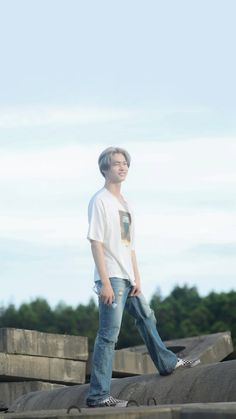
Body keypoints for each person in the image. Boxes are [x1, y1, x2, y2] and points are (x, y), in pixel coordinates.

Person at [86, 147, 200, 408]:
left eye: (125, 163)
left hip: (128, 278)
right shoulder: (100, 200)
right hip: (112, 278)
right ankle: (98, 396)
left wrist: (137, 277)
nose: (122, 167)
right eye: (116, 164)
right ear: (104, 169)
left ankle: (167, 363)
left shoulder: (126, 204)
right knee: (108, 335)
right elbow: (95, 242)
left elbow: (130, 246)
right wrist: (104, 282)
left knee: (147, 316)